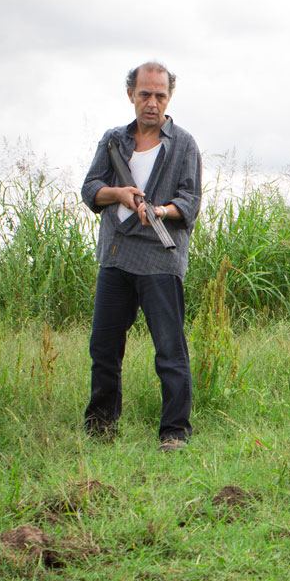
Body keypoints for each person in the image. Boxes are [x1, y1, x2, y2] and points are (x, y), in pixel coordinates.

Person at [81, 61, 202, 452]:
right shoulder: (114, 140)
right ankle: (100, 429)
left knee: (169, 349)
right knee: (103, 346)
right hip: (115, 255)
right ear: (131, 94)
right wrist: (119, 194)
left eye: (160, 95)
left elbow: (190, 201)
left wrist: (160, 211)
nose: (152, 103)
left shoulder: (183, 144)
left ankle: (174, 433)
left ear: (170, 97)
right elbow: (90, 190)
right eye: (145, 94)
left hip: (159, 260)